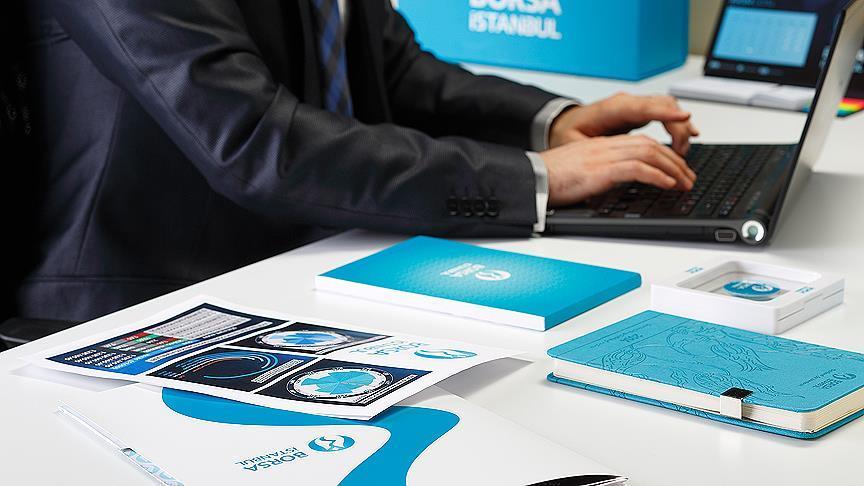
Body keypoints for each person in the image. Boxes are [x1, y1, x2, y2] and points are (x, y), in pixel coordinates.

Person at [18, 0, 698, 323]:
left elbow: (393, 69)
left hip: (310, 255)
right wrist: (536, 179)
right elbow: (257, 142)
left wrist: (550, 123)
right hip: (147, 301)